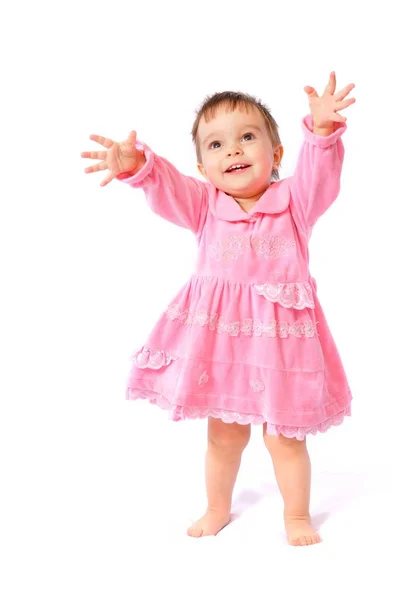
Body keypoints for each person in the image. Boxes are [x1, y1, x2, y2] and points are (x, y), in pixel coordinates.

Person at [81, 72, 355, 546]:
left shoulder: (293, 202)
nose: (233, 151)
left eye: (248, 138)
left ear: (276, 155)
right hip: (221, 344)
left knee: (285, 438)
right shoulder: (204, 204)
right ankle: (216, 508)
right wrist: (138, 166)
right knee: (223, 436)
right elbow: (167, 188)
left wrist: (323, 135)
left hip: (280, 346)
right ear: (204, 166)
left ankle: (295, 515)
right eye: (216, 144)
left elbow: (321, 176)